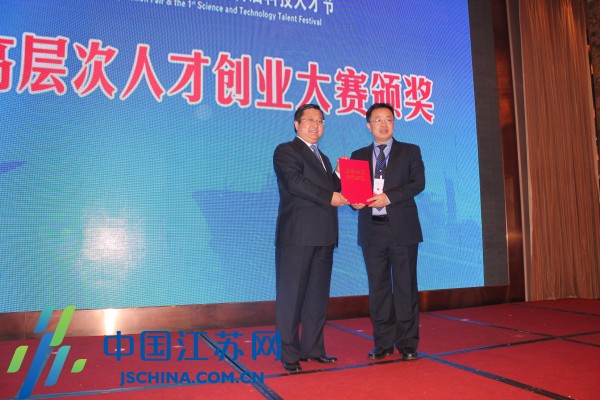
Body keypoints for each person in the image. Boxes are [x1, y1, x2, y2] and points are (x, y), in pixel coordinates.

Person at [273, 103, 348, 372]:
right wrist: (330, 195)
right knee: (291, 297)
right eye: (310, 120)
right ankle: (289, 353)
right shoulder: (286, 151)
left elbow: (330, 189)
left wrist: (339, 175)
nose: (316, 125)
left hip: (324, 235)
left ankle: (313, 349)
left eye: (320, 121)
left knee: (317, 297)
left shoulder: (323, 158)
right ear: (297, 124)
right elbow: (296, 184)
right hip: (298, 236)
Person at [350, 103, 425, 361]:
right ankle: (383, 343)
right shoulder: (358, 155)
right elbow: (353, 190)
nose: (383, 124)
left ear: (394, 123)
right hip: (372, 230)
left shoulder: (410, 151)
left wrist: (388, 197)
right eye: (378, 120)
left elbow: (418, 183)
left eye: (388, 119)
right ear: (368, 125)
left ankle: (407, 344)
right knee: (378, 288)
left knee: (405, 287)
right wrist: (353, 202)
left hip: (402, 229)